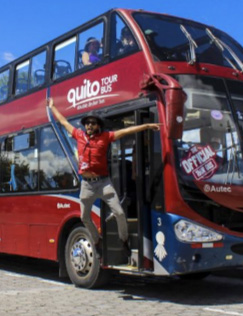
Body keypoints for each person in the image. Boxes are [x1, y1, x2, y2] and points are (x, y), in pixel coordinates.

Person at [47, 98, 160, 260]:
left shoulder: (106, 137)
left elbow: (127, 131)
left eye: (92, 123)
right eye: (87, 123)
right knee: (84, 217)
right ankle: (97, 240)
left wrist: (147, 126)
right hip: (87, 185)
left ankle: (124, 240)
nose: (89, 126)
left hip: (104, 183)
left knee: (120, 213)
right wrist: (53, 107)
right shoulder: (78, 135)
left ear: (98, 125)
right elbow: (63, 122)